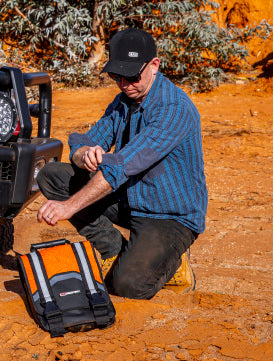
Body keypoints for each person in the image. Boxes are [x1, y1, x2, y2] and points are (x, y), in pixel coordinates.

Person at [36, 28, 206, 299]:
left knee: (128, 285)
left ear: (154, 65)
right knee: (52, 176)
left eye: (132, 76)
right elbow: (85, 141)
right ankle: (114, 250)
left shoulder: (173, 109)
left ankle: (173, 264)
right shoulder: (124, 101)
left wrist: (68, 207)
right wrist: (84, 154)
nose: (125, 83)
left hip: (168, 216)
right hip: (130, 198)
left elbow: (121, 166)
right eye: (118, 76)